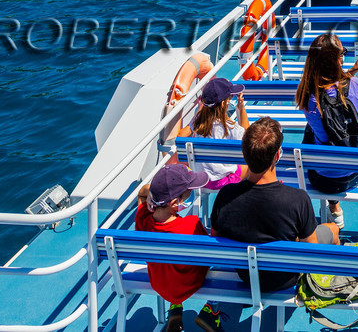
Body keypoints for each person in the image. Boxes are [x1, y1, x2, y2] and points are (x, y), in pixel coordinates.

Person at [210, 118, 340, 298]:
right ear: (277, 156)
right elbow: (311, 251)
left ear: (244, 154)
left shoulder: (225, 195)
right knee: (332, 229)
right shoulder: (297, 199)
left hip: (246, 275)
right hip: (285, 278)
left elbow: (218, 240)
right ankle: (327, 283)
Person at [294, 32, 358, 226]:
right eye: (342, 53)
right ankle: (334, 206)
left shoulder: (305, 94)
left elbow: (330, 88)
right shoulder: (357, 86)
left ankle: (334, 205)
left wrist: (351, 69)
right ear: (337, 60)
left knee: (313, 129)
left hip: (322, 179)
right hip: (354, 174)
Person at [134, 163, 224, 332]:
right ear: (175, 202)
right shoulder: (191, 225)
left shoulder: (142, 218)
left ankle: (175, 306)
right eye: (188, 191)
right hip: (188, 284)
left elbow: (142, 192)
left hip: (160, 284)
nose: (191, 192)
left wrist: (149, 197)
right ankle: (211, 310)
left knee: (170, 263)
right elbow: (212, 254)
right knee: (219, 264)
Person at [173, 77, 248, 189]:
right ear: (223, 104)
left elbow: (181, 136)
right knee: (252, 164)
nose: (231, 100)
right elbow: (247, 134)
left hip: (201, 179)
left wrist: (199, 113)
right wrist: (241, 108)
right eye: (230, 98)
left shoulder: (197, 120)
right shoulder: (230, 127)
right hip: (223, 181)